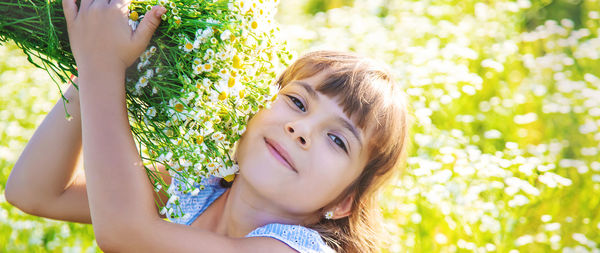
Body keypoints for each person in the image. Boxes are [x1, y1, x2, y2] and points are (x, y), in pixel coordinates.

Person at [4, 0, 410, 252]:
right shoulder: (199, 188)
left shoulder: (293, 251)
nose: (301, 129)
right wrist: (102, 62)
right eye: (297, 102)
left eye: (337, 140)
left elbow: (125, 233)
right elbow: (35, 193)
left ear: (344, 203)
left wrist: (103, 68)